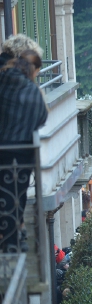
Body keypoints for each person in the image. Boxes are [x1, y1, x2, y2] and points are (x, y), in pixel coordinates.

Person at [0, 48, 48, 252]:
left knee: (5, 191)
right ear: (34, 69)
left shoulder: (3, 79)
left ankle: (9, 237)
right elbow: (42, 117)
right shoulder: (31, 90)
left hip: (2, 147)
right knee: (16, 194)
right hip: (22, 152)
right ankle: (12, 240)